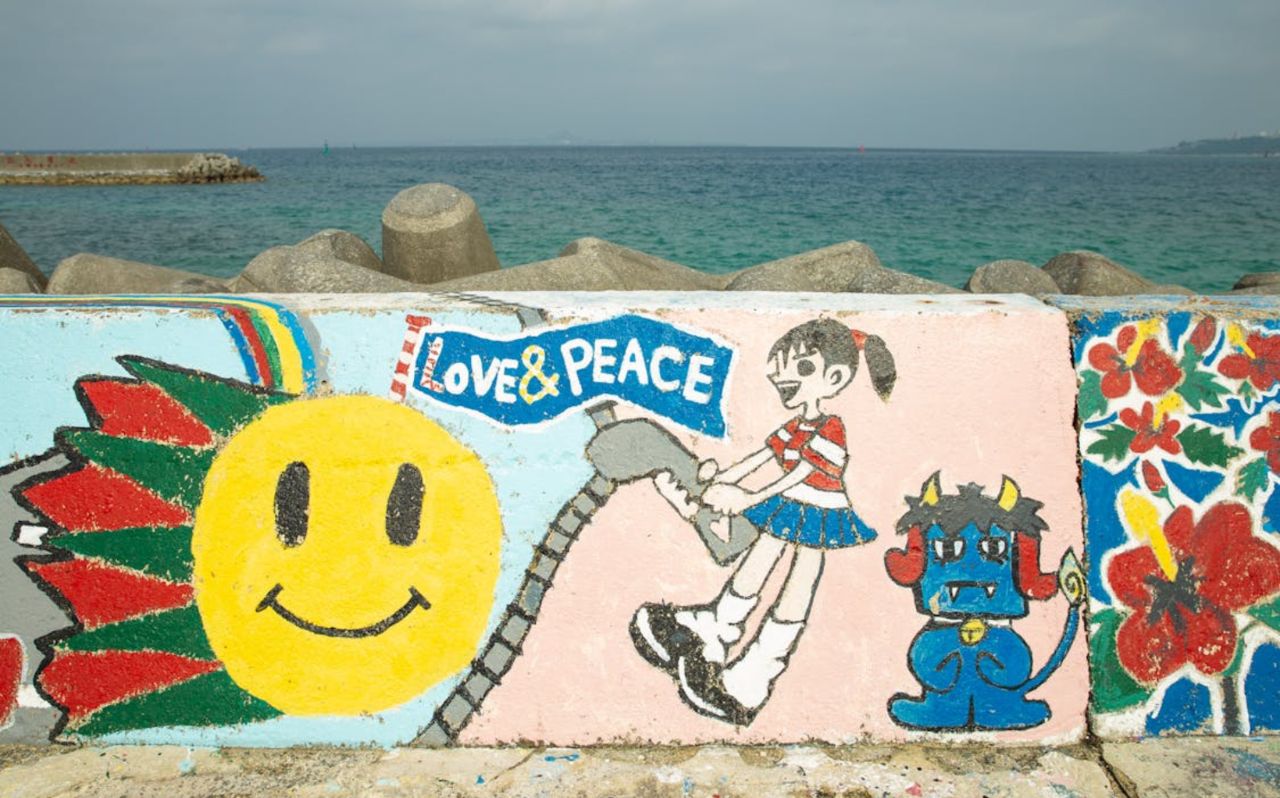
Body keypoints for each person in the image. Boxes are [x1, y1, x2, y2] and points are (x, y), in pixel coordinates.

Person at [631, 318, 896, 724]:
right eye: (782, 372)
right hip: (790, 505)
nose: (786, 380)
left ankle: (755, 674)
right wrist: (722, 479)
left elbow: (804, 471)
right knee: (760, 557)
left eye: (802, 369)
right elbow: (763, 456)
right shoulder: (796, 425)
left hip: (820, 510)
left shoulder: (831, 426)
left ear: (835, 377)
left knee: (800, 580)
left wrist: (752, 496)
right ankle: (717, 628)